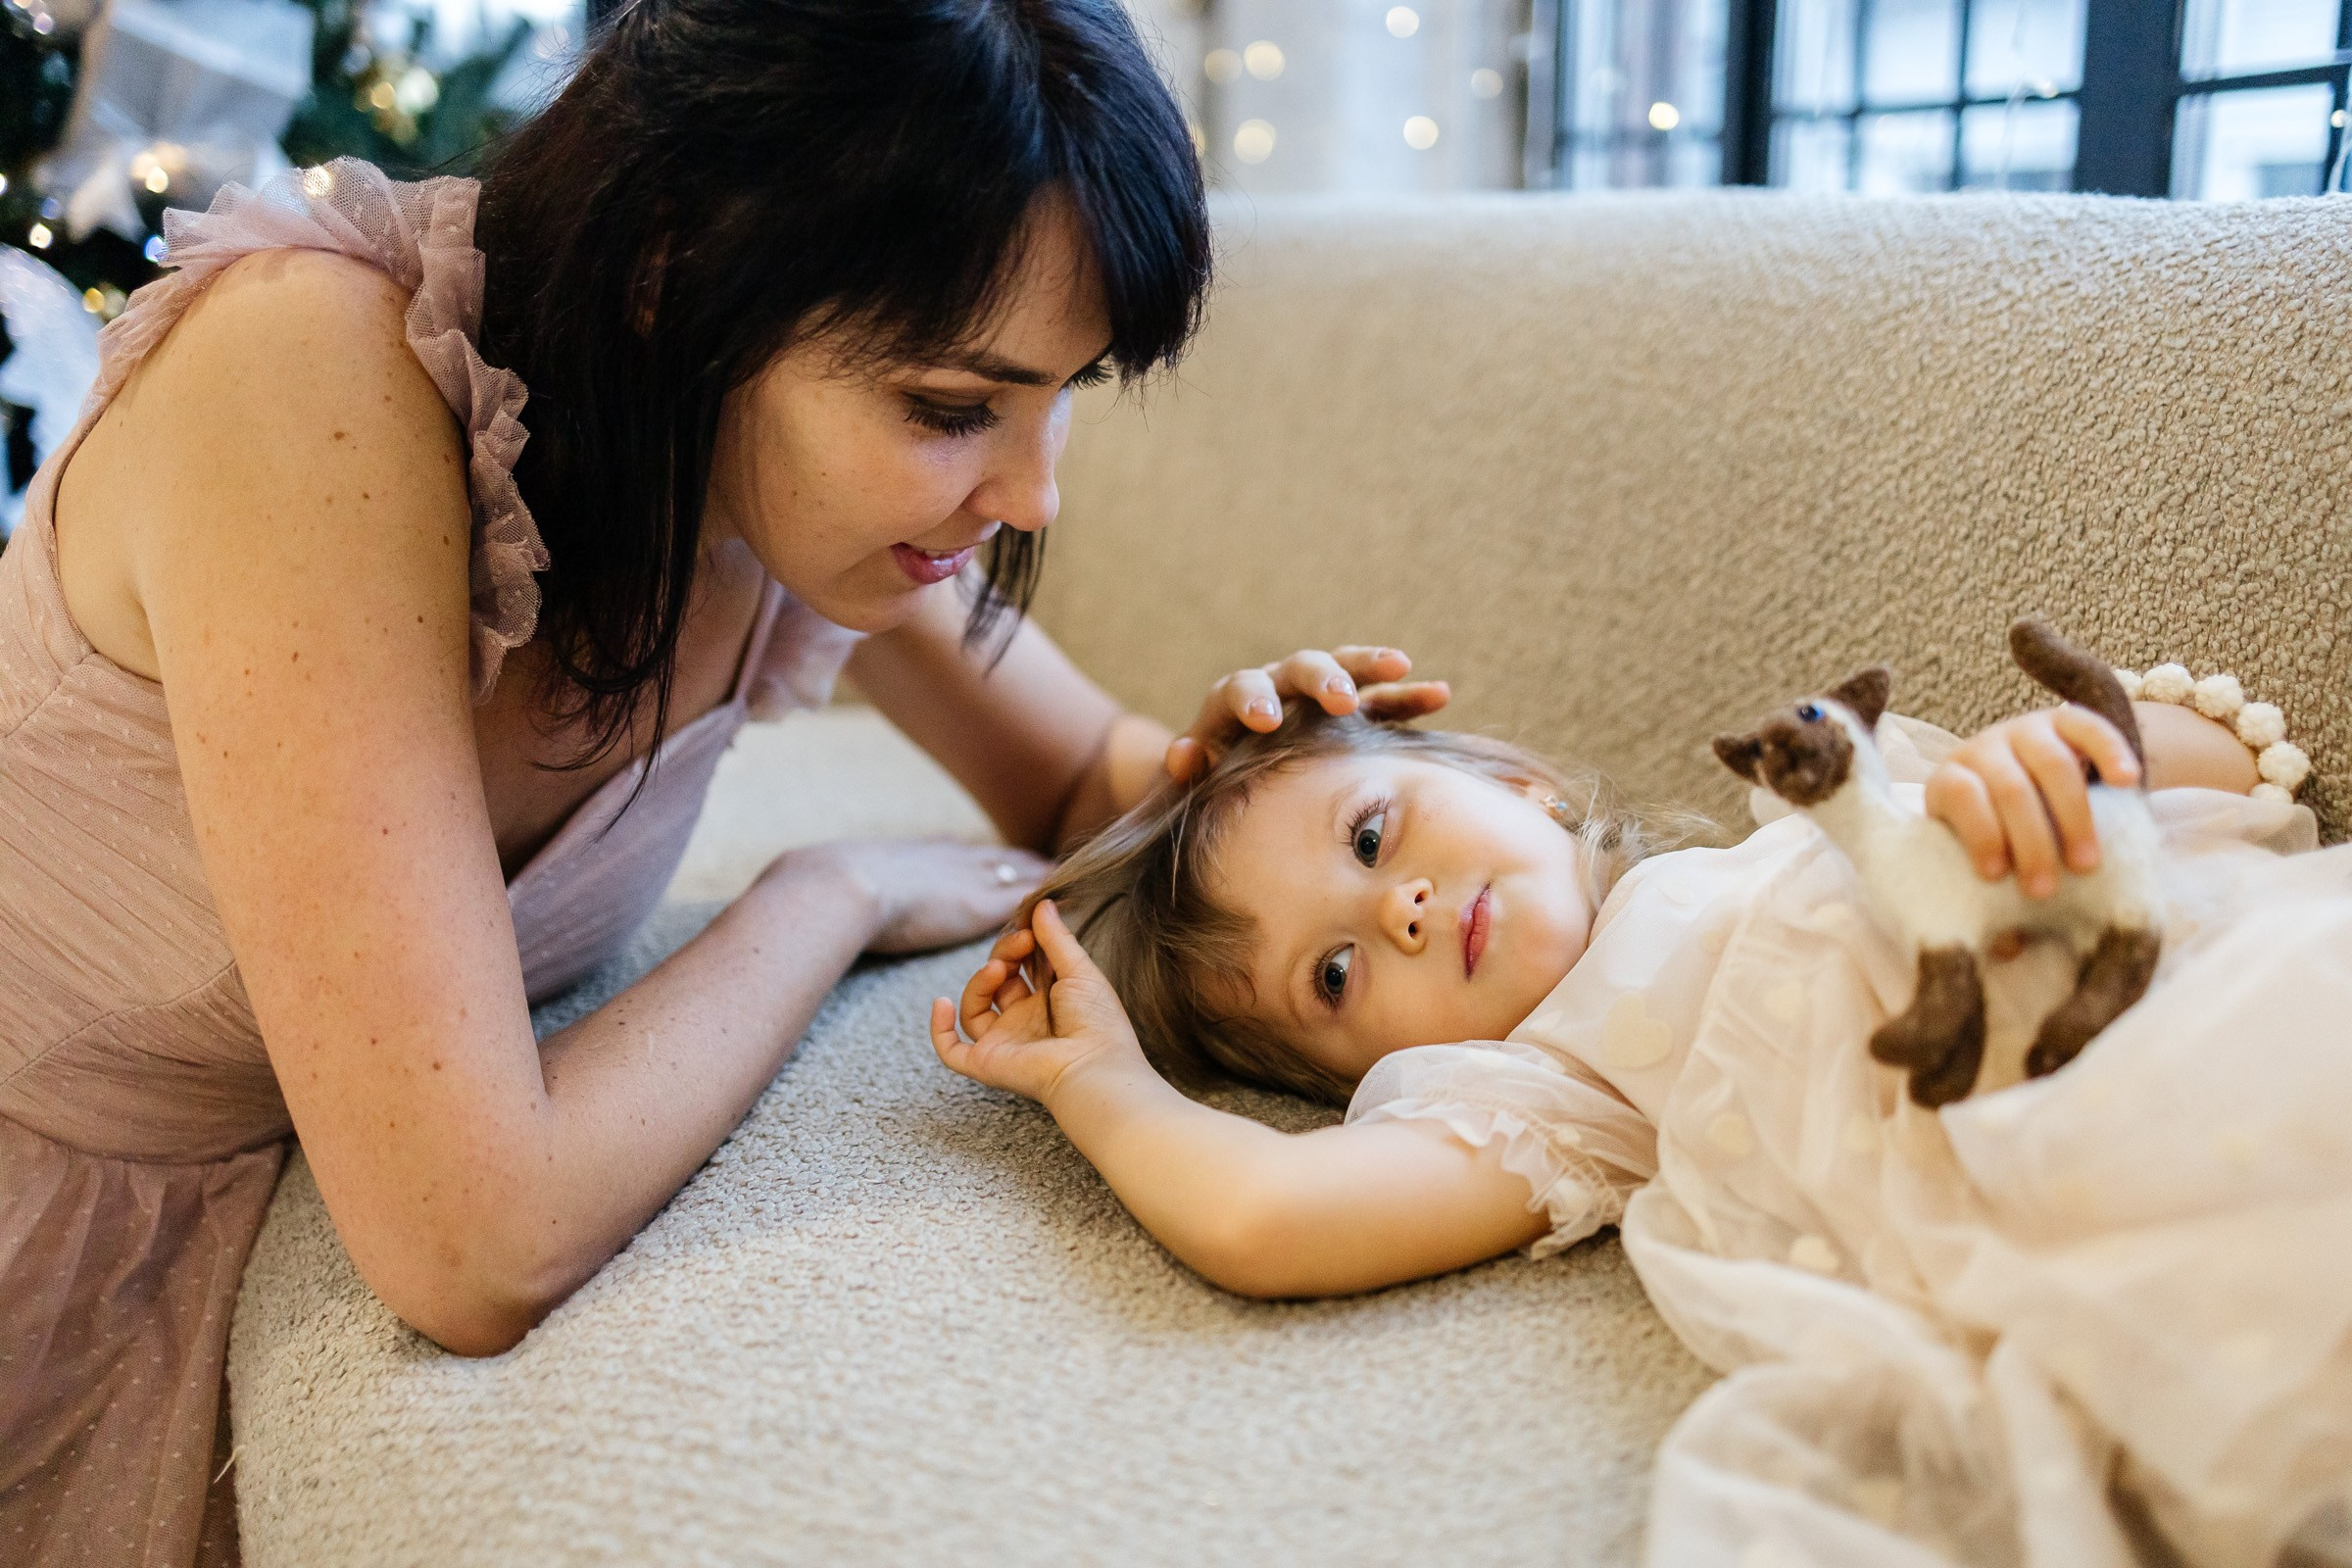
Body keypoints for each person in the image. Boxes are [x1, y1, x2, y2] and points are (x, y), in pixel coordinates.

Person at [0, 3, 1425, 1561]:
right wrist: (830, 889)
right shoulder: (307, 378)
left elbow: (1090, 777)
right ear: (676, 281)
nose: (1033, 493)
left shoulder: (763, 467)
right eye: (954, 408)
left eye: (1061, 391)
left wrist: (1268, 778)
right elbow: (478, 1240)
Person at [934, 683, 2351, 1562]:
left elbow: (2231, 767)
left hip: (2222, 983)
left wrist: (2075, 762)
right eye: (1337, 975)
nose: (1398, 907)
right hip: (2084, 1201)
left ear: (1517, 788)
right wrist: (1098, 1081)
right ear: (1357, 1078)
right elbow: (1265, 1218)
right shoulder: (1553, 1084)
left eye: (1373, 839)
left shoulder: (1812, 813)